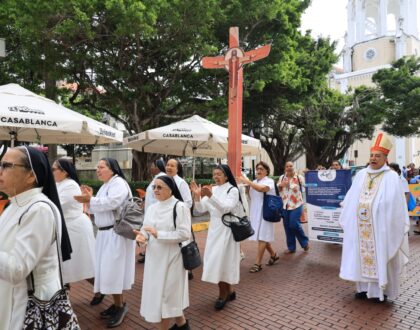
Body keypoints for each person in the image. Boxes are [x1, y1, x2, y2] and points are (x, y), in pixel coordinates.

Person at [0, 146, 73, 329]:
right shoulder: (16, 204)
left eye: (6, 165)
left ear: (31, 175)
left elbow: (17, 269)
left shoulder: (38, 209)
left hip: (27, 305)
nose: (0, 171)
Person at [339, 133, 409, 302]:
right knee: (359, 256)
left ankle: (381, 291)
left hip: (380, 228)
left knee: (380, 256)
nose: (373, 158)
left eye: (378, 156)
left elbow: (395, 205)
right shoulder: (362, 174)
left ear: (386, 157)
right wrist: (348, 207)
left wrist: (376, 210)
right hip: (361, 226)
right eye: (371, 155)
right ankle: (362, 289)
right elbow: (351, 197)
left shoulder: (392, 177)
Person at [74, 158, 135, 328]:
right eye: (97, 167)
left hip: (115, 234)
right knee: (108, 270)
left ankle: (121, 306)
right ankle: (117, 304)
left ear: (112, 169)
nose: (97, 170)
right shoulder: (105, 185)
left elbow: (112, 203)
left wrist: (90, 199)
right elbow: (95, 208)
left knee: (113, 271)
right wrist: (88, 199)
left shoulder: (118, 184)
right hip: (105, 234)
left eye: (101, 167)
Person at [135, 175, 191, 330]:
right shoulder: (152, 208)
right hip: (154, 259)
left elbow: (185, 234)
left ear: (170, 189)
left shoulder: (180, 207)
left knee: (165, 300)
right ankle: (183, 326)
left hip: (172, 258)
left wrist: (158, 234)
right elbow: (146, 228)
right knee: (164, 298)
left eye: (160, 187)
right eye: (154, 187)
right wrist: (142, 237)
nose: (155, 190)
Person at [190, 164, 241, 310]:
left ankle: (222, 295)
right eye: (214, 174)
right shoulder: (214, 189)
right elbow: (200, 210)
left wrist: (210, 196)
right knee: (216, 261)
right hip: (214, 230)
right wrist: (197, 196)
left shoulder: (233, 190)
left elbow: (226, 208)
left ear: (226, 175)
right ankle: (230, 291)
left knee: (222, 261)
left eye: (219, 174)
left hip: (227, 230)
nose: (216, 177)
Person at [53, 158, 96, 286]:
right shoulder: (58, 183)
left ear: (65, 172)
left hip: (75, 229)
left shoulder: (70, 185)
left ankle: (102, 289)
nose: (51, 172)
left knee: (83, 265)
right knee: (65, 266)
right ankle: (63, 295)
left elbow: (56, 204)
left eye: (54, 169)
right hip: (66, 228)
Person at [237, 161, 279, 273]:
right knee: (262, 236)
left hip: (266, 212)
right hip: (255, 213)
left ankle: (257, 263)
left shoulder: (269, 181)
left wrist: (247, 181)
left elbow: (261, 189)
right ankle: (274, 255)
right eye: (257, 169)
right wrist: (244, 184)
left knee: (262, 237)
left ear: (267, 171)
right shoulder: (254, 181)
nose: (259, 171)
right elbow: (251, 195)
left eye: (261, 169)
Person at [138, 159, 166, 264]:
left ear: (157, 167)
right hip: (150, 211)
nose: (150, 168)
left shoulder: (161, 178)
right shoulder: (155, 178)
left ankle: (149, 255)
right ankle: (146, 253)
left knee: (152, 234)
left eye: (152, 166)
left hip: (156, 213)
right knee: (148, 233)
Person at [278, 161, 309, 254]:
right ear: (285, 168)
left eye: (290, 166)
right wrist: (281, 185)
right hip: (285, 205)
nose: (289, 167)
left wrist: (308, 175)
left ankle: (304, 242)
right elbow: (279, 188)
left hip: (297, 204)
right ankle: (291, 247)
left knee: (293, 224)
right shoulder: (282, 177)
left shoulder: (299, 178)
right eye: (287, 166)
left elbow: (307, 186)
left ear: (293, 167)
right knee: (287, 227)